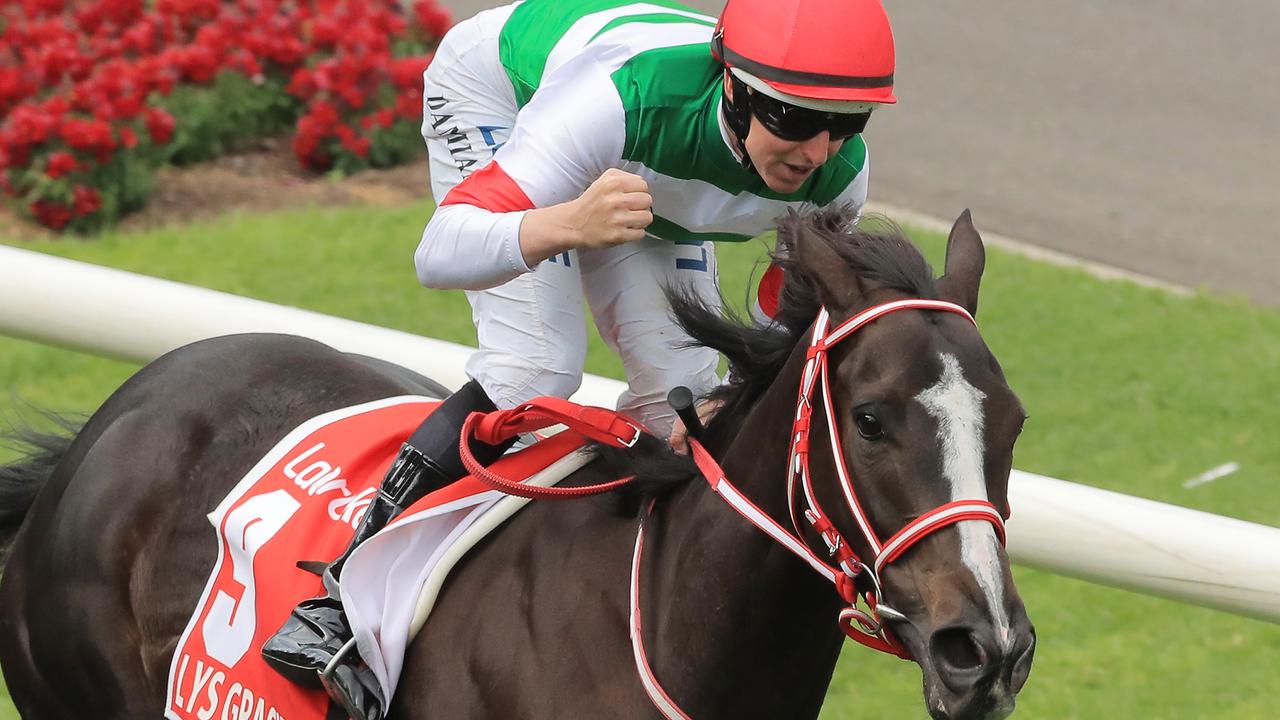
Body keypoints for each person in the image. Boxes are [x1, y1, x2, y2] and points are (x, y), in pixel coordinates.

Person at [262, 0, 896, 716]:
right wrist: (567, 223)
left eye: (845, 123)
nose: (816, 149)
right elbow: (440, 250)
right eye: (791, 118)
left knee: (682, 401)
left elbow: (781, 318)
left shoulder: (839, 175)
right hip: (507, 96)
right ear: (735, 86)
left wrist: (737, 393)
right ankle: (338, 603)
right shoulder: (614, 99)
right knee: (534, 367)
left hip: (639, 170)